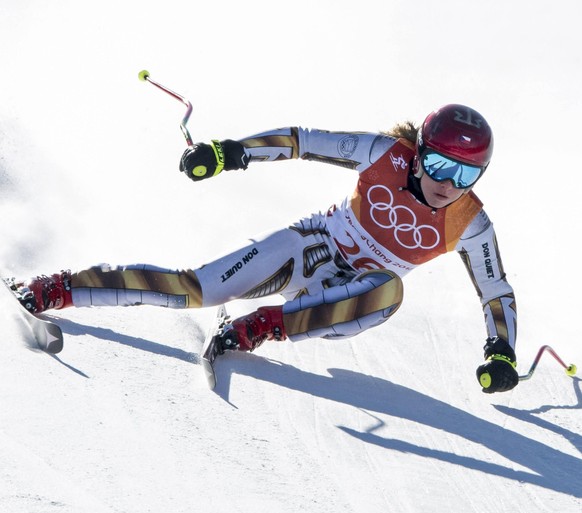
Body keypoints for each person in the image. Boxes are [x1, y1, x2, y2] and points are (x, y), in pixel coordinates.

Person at [10, 104, 519, 393]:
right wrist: (230, 153)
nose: (448, 184)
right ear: (419, 151)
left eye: (466, 174)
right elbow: (302, 140)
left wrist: (502, 350)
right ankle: (54, 289)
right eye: (439, 165)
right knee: (198, 287)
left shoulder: (469, 222)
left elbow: (495, 290)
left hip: (353, 295)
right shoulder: (383, 152)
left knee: (388, 291)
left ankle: (259, 328)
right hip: (313, 246)